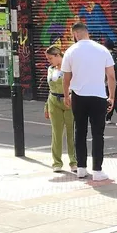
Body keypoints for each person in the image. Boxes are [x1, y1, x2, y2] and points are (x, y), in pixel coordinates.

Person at [61, 22, 115, 182]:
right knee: (98, 134)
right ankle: (97, 170)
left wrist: (66, 95)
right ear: (86, 32)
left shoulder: (70, 51)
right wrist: (111, 96)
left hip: (78, 96)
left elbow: (66, 78)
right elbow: (111, 76)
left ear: (76, 34)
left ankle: (81, 168)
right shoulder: (102, 49)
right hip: (98, 96)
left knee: (80, 131)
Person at [43, 45, 76, 173]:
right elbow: (50, 88)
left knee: (70, 133)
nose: (49, 61)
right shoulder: (50, 69)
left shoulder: (69, 68)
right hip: (53, 101)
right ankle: (57, 162)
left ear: (58, 56)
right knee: (56, 133)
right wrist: (46, 106)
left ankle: (74, 161)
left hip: (69, 101)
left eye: (50, 58)